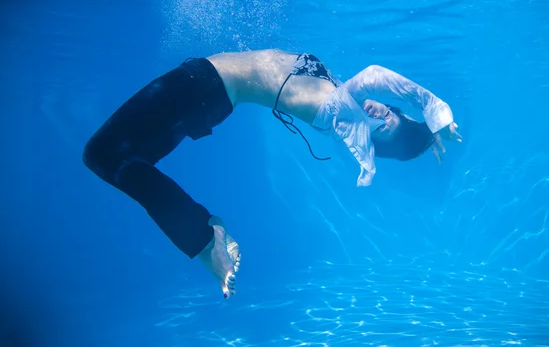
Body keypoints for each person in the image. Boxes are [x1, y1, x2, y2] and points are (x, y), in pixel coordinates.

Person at [82, 49, 462, 299]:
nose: (380, 116)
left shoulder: (344, 114)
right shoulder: (346, 98)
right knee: (124, 159)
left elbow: (379, 74)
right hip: (206, 89)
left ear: (367, 140)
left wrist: (435, 110)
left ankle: (204, 240)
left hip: (204, 85)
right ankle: (201, 235)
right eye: (390, 114)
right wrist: (427, 131)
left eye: (384, 128)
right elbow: (379, 90)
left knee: (102, 155)